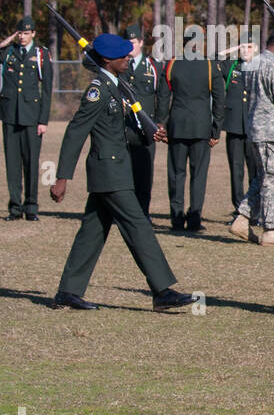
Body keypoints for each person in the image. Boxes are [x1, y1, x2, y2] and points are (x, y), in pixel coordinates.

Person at [48, 33, 197, 311]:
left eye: (129, 55)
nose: (128, 59)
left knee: (91, 233)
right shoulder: (99, 89)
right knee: (139, 227)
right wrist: (62, 177)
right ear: (107, 60)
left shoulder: (116, 85)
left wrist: (148, 135)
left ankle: (68, 291)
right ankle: (162, 290)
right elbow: (75, 132)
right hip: (109, 171)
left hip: (116, 169)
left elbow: (118, 130)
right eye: (123, 56)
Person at [230, 31, 274, 246]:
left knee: (262, 178)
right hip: (273, 132)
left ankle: (242, 218)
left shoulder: (253, 64)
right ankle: (270, 229)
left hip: (257, 130)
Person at [164, 52, 225, 231]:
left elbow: (163, 95)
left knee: (176, 174)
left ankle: (176, 218)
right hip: (201, 126)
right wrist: (216, 128)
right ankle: (194, 218)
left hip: (178, 125)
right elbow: (219, 98)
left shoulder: (173, 63)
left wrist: (162, 124)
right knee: (199, 175)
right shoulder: (209, 65)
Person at [0, 15, 53, 221]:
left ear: (34, 34)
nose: (23, 37)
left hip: (32, 117)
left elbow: (47, 90)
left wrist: (43, 120)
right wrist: (10, 37)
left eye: (26, 33)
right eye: (20, 32)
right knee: (12, 164)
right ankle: (15, 207)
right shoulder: (10, 52)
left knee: (31, 163)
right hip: (10, 116)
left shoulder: (41, 55)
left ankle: (31, 207)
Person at [121, 23, 170, 215]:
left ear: (141, 43)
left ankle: (143, 212)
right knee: (124, 173)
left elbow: (163, 96)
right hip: (123, 127)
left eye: (133, 42)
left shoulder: (154, 66)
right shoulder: (118, 64)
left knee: (144, 174)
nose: (130, 46)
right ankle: (125, 212)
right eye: (127, 42)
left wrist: (160, 122)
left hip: (146, 129)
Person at [219, 50, 256, 218]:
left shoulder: (259, 66)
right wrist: (232, 50)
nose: (245, 50)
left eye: (249, 46)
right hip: (234, 126)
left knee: (254, 170)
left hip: (253, 126)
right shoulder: (232, 65)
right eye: (243, 46)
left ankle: (254, 209)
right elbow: (214, 58)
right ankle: (239, 211)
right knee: (236, 170)